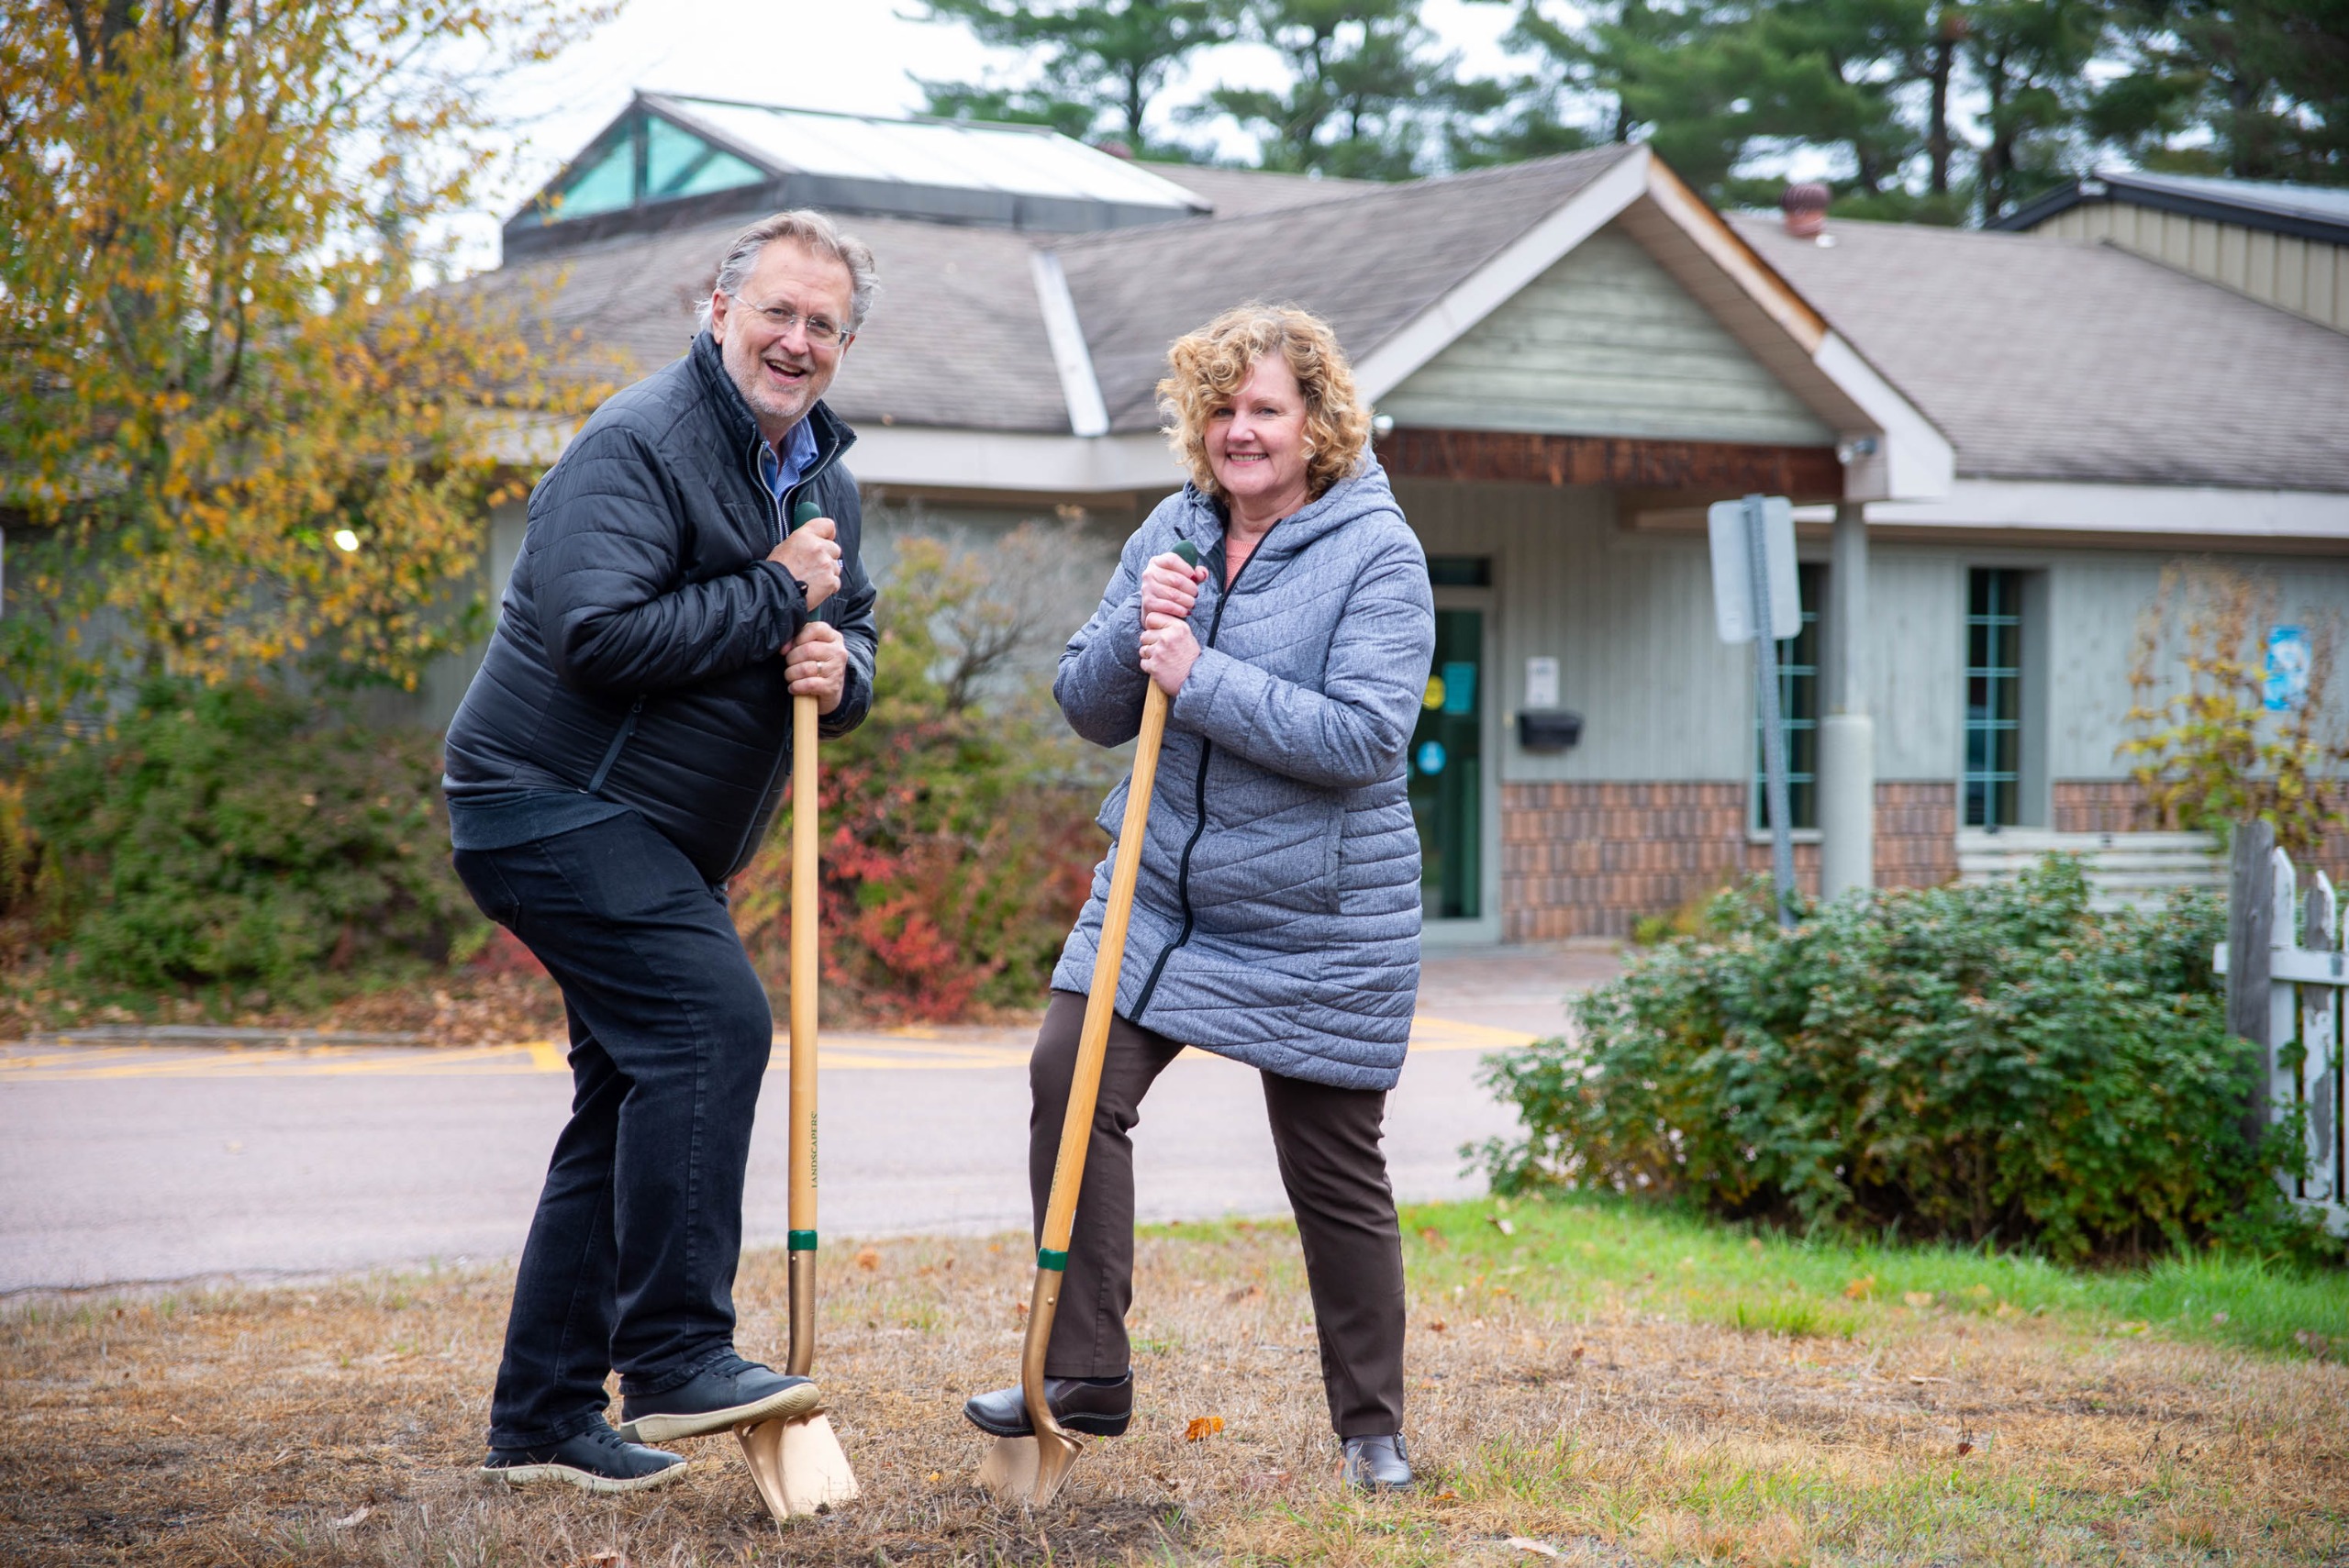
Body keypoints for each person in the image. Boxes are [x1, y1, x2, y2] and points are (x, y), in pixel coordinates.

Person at [960, 304, 1436, 1491]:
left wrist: (1201, 672)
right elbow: (1086, 700)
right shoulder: (1171, 530)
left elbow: (1366, 738)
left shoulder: (1378, 551)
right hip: (1159, 901)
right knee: (1070, 1077)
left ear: (1317, 423)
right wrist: (1140, 630)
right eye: (1220, 408)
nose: (1240, 431)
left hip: (1318, 915)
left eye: (1265, 408)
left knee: (1334, 1171)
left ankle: (1371, 1424)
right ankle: (1084, 1372)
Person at [440, 211, 880, 1494]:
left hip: (662, 837)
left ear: (845, 344)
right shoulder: (639, 442)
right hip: (547, 798)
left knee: (628, 1094)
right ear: (719, 306)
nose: (795, 341)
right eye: (777, 313)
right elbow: (597, 633)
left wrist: (834, 666)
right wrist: (775, 597)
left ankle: (543, 1417)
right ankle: (680, 1352)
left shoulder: (819, 478)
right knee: (709, 1025)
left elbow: (847, 633)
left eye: (823, 325)